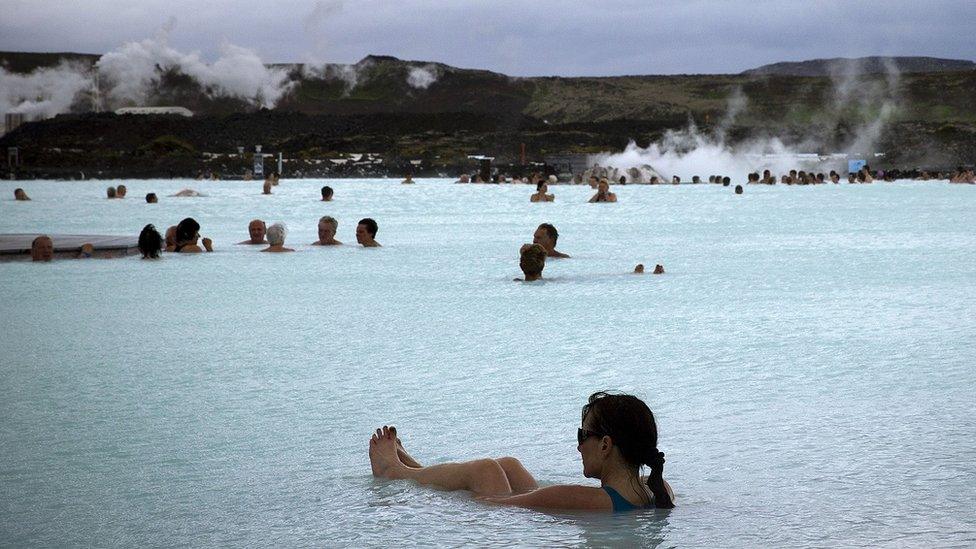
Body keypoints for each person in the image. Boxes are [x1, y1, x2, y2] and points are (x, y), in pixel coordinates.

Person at [368, 391, 675, 512]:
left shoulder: (587, 498)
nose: (578, 445)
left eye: (582, 435)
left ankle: (397, 473)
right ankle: (420, 471)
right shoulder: (658, 489)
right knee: (510, 465)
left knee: (485, 469)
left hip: (503, 518)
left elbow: (498, 506)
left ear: (605, 445)